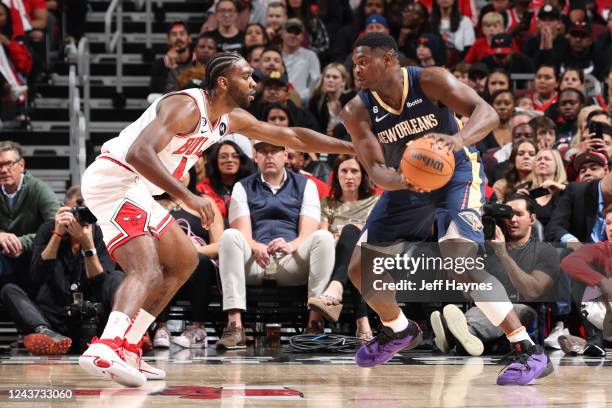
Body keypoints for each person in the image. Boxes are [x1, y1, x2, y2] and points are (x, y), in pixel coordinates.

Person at [78, 51, 353, 388]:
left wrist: (354, 149)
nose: (255, 83)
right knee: (146, 268)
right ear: (224, 82)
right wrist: (187, 195)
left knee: (182, 262)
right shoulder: (185, 106)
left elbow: (293, 137)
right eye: (247, 76)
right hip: (115, 180)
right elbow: (139, 153)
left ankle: (130, 346)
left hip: (136, 188)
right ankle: (106, 346)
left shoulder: (228, 119)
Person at [341, 32, 551, 386]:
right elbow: (374, 168)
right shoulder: (356, 109)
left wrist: (458, 139)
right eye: (354, 64)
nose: (357, 70)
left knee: (458, 259)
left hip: (457, 173)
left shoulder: (430, 79)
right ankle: (399, 330)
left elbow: (486, 113)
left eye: (364, 62)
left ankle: (527, 348)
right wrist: (403, 182)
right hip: (405, 183)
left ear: (389, 60)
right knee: (361, 269)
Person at [216, 140, 336, 348]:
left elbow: (308, 230)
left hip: (291, 261)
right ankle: (234, 327)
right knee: (229, 235)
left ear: (285, 155)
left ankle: (314, 324)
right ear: (256, 158)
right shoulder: (241, 186)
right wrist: (255, 246)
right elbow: (242, 230)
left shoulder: (306, 185)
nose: (269, 156)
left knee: (324, 238)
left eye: (274, 151)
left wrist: (291, 245)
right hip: (256, 261)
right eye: (263, 152)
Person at [0, 186, 124, 356]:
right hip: (53, 316)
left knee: (118, 278)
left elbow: (100, 284)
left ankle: (120, 333)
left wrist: (88, 245)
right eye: (74, 210)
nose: (78, 217)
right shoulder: (47, 230)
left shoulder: (101, 232)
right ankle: (46, 334)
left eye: (85, 211)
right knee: (9, 290)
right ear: (62, 208)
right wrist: (57, 235)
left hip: (93, 316)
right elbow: (37, 276)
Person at [431, 194, 559, 356]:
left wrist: (503, 255)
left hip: (524, 309)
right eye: (508, 216)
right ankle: (461, 337)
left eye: (519, 214)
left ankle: (457, 333)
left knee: (508, 309)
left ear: (532, 219)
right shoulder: (485, 249)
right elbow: (469, 293)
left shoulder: (545, 251)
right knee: (484, 308)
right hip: (485, 309)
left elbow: (532, 291)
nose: (512, 220)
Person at [308, 155, 379, 342]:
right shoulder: (328, 204)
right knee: (351, 249)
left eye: (354, 171)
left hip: (370, 256)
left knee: (353, 238)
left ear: (363, 175)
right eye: (344, 171)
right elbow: (323, 234)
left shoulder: (375, 202)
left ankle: (335, 288)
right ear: (336, 176)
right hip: (334, 258)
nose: (349, 176)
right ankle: (363, 323)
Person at [0, 141, 59, 293]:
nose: (3, 170)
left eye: (8, 164)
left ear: (21, 165)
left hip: (33, 258)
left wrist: (21, 242)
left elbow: (56, 227)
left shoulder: (39, 189)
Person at [195, 140, 255, 221]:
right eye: (223, 156)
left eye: (235, 156)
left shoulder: (251, 186)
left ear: (241, 160)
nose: (230, 160)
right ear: (216, 161)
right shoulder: (203, 188)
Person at [307, 63, 355, 136]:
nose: (330, 80)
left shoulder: (352, 98)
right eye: (327, 76)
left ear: (343, 82)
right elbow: (312, 126)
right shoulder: (316, 100)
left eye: (335, 77)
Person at [281, 18, 321, 102]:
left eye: (297, 32)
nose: (293, 35)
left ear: (302, 36)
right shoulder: (276, 55)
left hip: (302, 99)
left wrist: (303, 96)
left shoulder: (310, 56)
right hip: (279, 96)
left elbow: (315, 80)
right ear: (282, 34)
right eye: (290, 31)